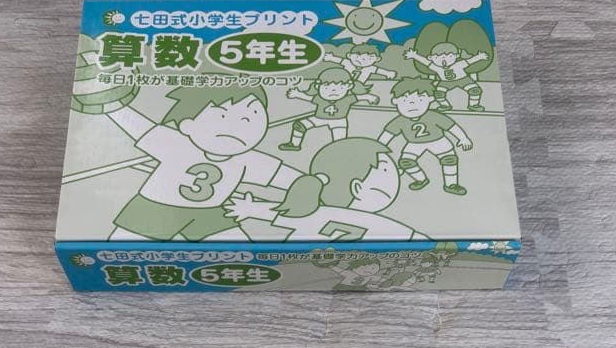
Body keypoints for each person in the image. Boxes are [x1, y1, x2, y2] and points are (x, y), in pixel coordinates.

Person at [91, 85, 300, 240]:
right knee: (119, 250)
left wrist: (311, 186)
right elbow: (137, 125)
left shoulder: (250, 159)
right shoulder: (175, 142)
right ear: (187, 125)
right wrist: (106, 102)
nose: (238, 126)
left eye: (251, 118)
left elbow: (293, 180)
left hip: (210, 212)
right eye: (222, 116)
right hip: (155, 207)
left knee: (241, 249)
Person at [226, 137, 423, 241]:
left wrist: (249, 208)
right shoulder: (379, 223)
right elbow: (420, 240)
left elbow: (280, 212)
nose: (398, 176)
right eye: (387, 170)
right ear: (357, 187)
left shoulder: (311, 211)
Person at [379, 78, 473, 194]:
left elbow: (451, 127)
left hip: (438, 141)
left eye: (420, 100)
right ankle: (421, 179)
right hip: (414, 144)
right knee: (405, 162)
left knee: (449, 159)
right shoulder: (399, 121)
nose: (412, 105)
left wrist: (463, 138)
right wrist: (378, 148)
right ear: (395, 101)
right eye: (405, 101)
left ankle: (451, 184)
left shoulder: (434, 116)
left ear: (430, 99)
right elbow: (387, 135)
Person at [278, 67, 376, 151]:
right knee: (300, 125)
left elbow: (361, 97)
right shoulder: (320, 98)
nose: (333, 92)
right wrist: (297, 94)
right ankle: (294, 145)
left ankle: (339, 151)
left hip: (339, 121)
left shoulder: (347, 99)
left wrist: (370, 97)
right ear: (318, 87)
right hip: (319, 118)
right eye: (326, 88)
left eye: (340, 88)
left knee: (339, 142)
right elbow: (308, 97)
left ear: (349, 86)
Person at [403, 42, 488, 111]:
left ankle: (473, 105)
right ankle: (445, 105)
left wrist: (479, 57)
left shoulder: (459, 64)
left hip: (463, 80)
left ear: (456, 56)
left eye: (449, 56)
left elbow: (470, 61)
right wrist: (414, 56)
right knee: (438, 93)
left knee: (475, 90)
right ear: (431, 58)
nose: (444, 60)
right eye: (437, 58)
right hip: (445, 82)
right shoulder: (436, 67)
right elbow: (426, 62)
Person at [322, 42, 397, 86]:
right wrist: (330, 58)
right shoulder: (348, 62)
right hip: (343, 83)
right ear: (349, 55)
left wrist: (388, 73)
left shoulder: (370, 68)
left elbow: (379, 70)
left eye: (369, 58)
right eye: (357, 56)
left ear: (377, 59)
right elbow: (339, 60)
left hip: (358, 85)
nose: (361, 60)